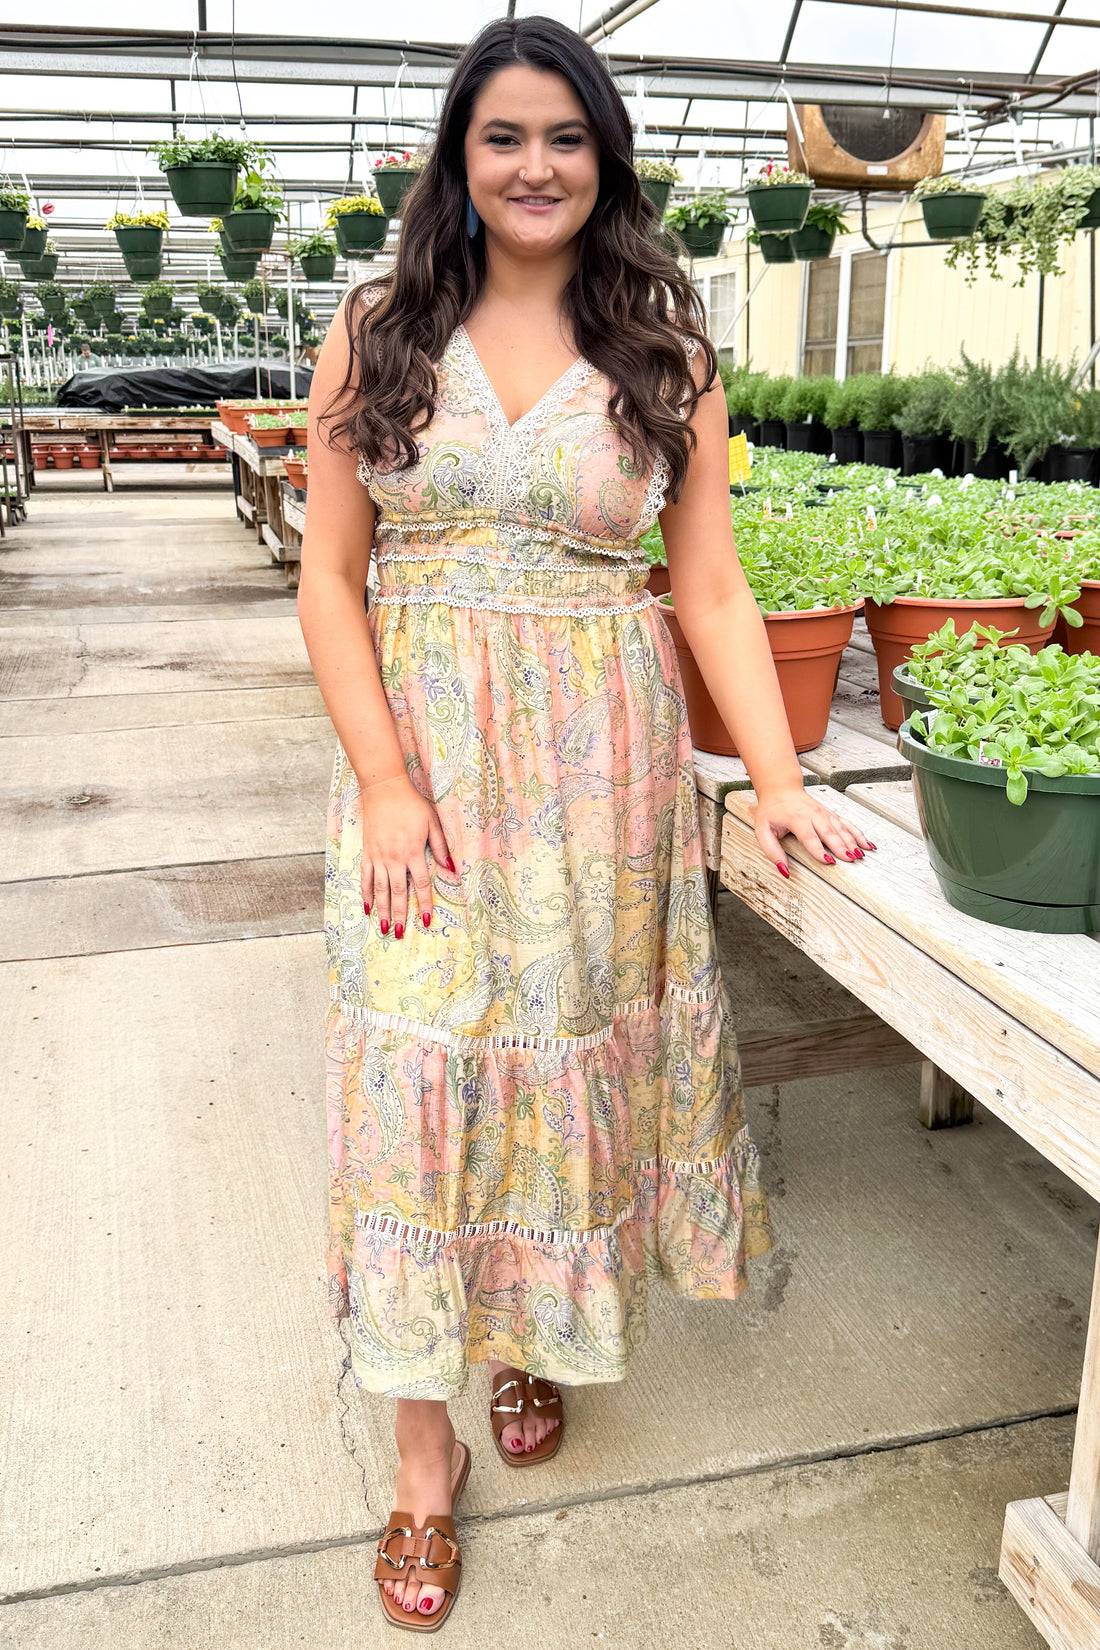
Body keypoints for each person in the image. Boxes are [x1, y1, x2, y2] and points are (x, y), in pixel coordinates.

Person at [297, 15, 874, 1631]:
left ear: (603, 154)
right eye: (504, 137)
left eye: (565, 134)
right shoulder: (375, 333)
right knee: (421, 1062)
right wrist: (390, 781)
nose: (536, 164)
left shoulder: (668, 351)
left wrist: (775, 781)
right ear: (459, 161)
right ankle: (426, 1451)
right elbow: (331, 582)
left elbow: (708, 585)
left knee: (566, 1053)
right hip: (419, 771)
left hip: (601, 780)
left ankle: (536, 1331)